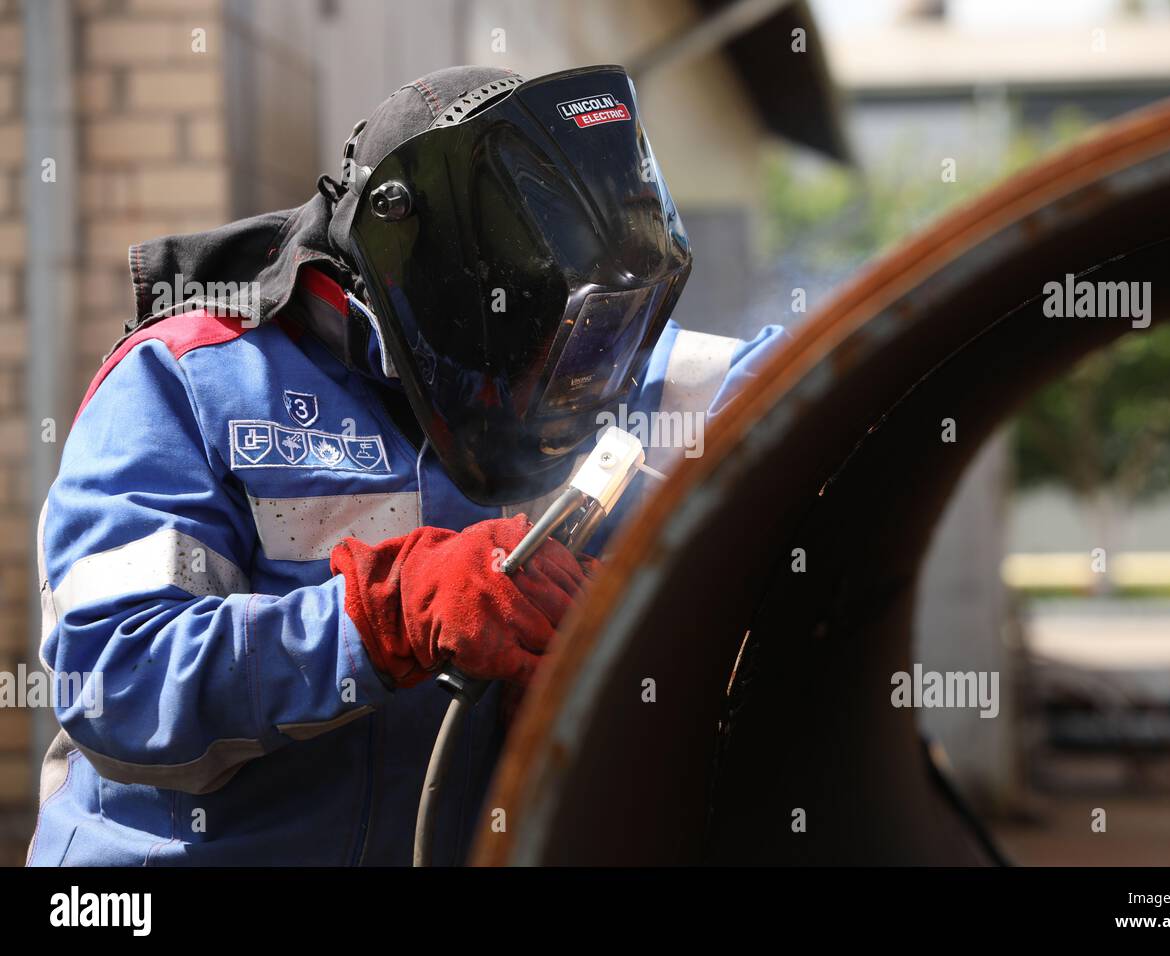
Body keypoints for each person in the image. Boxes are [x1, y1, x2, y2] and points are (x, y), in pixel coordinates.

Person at [27, 64, 786, 865]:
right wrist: (380, 618)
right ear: (438, 290)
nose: (564, 382)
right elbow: (114, 677)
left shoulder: (622, 361)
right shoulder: (189, 380)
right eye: (530, 342)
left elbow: (830, 402)